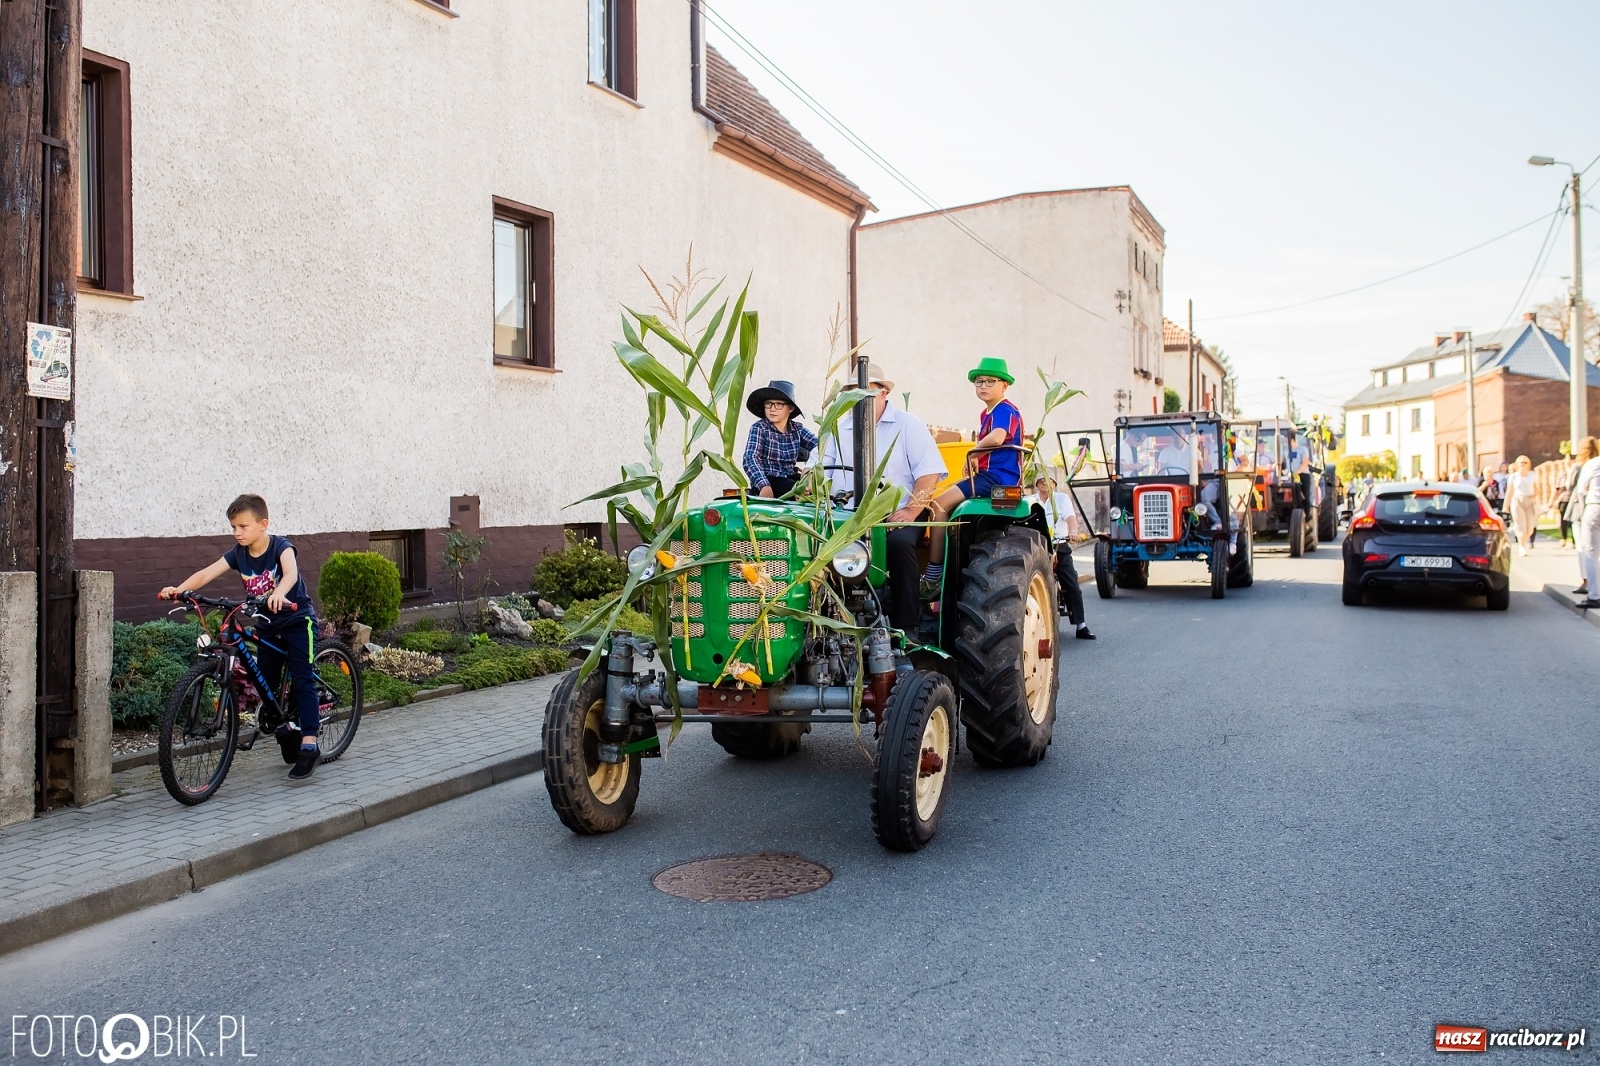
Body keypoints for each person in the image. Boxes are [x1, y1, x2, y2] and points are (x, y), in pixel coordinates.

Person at [158, 494, 322, 783]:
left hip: (297, 621)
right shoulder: (238, 553)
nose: (237, 532)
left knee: (303, 678)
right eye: (234, 526)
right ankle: (284, 729)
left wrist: (280, 592)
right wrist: (178, 589)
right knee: (265, 684)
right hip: (267, 626)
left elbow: (291, 573)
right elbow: (207, 572)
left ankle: (309, 742)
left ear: (262, 524)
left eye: (243, 526)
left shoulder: (280, 547)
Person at [821, 362, 947, 630]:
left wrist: (911, 512)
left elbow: (929, 474)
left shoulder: (908, 425)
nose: (860, 399)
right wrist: (811, 480)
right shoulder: (838, 428)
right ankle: (831, 626)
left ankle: (906, 628)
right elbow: (819, 468)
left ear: (883, 394)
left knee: (899, 545)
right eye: (854, 393)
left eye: (866, 392)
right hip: (847, 515)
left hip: (898, 511)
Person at [923, 357, 1024, 597]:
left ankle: (933, 575)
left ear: (1004, 386)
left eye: (990, 381)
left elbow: (998, 437)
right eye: (979, 382)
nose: (983, 386)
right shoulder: (986, 413)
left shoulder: (1005, 409)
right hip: (988, 475)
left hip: (998, 478)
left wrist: (973, 452)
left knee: (938, 504)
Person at [1034, 476, 1095, 639]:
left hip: (1059, 546)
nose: (1045, 483)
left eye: (1049, 480)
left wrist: (1073, 531)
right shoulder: (1030, 501)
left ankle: (1081, 626)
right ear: (1036, 484)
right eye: (1041, 480)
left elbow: (1070, 518)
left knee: (1071, 583)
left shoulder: (1061, 499)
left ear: (1054, 484)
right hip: (1036, 548)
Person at [741, 379, 817, 498]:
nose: (772, 408)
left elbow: (821, 446)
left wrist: (809, 470)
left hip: (790, 479)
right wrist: (764, 485)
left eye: (779, 404)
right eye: (769, 403)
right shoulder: (760, 428)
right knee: (796, 490)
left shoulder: (797, 429)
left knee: (815, 491)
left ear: (790, 408)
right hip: (769, 479)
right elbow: (750, 458)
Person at [1565, 437, 1597, 590]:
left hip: (1581, 509)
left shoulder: (1580, 467)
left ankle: (1587, 582)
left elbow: (1573, 486)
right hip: (1591, 507)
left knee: (1584, 548)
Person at [1574, 447, 1600, 608]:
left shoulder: (1593, 463)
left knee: (1590, 552)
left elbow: (1581, 488)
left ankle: (1594, 595)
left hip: (1595, 506)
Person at [1504, 455, 1539, 555]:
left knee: (1530, 527)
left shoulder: (1532, 475)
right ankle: (1522, 546)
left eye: (1525, 463)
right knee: (1520, 524)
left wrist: (1535, 496)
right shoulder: (1513, 476)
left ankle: (1525, 539)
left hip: (1529, 500)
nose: (1523, 465)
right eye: (1521, 463)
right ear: (1517, 464)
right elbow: (1510, 491)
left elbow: (1537, 489)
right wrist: (1506, 505)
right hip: (1517, 500)